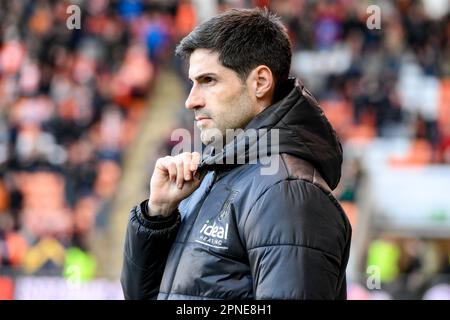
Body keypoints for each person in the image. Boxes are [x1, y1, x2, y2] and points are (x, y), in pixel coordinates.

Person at [121, 8, 352, 300]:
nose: (191, 100)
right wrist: (158, 216)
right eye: (192, 83)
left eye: (208, 81)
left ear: (260, 82)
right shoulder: (211, 177)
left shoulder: (288, 192)